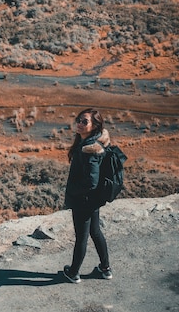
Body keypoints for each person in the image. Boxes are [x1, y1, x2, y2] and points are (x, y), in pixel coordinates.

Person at [63, 108, 113, 283]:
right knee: (95, 231)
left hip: (84, 200)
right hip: (93, 199)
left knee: (82, 237)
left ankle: (73, 273)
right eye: (79, 119)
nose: (80, 123)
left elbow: (91, 181)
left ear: (95, 125)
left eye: (85, 121)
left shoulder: (90, 149)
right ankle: (105, 269)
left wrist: (74, 192)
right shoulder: (93, 143)